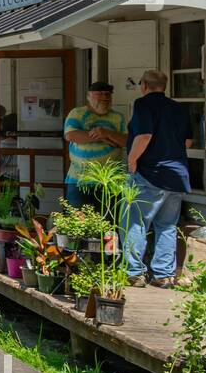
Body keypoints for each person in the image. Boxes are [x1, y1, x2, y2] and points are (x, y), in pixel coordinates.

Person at [124, 70, 193, 288]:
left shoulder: (143, 104)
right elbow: (188, 142)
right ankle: (163, 275)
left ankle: (134, 273)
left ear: (144, 85)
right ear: (165, 85)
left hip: (150, 173)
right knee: (167, 225)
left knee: (135, 222)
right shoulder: (179, 108)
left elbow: (144, 135)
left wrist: (132, 160)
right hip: (177, 176)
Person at [63, 81, 127, 208]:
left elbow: (126, 141)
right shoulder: (77, 113)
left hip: (110, 181)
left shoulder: (118, 117)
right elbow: (71, 135)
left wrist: (107, 133)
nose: (104, 97)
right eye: (100, 94)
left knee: (109, 222)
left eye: (108, 94)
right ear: (89, 95)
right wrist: (105, 138)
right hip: (79, 180)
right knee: (77, 222)